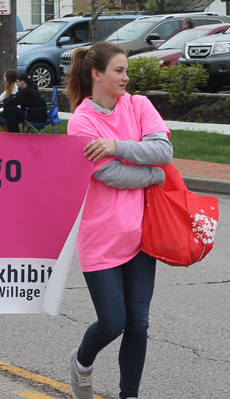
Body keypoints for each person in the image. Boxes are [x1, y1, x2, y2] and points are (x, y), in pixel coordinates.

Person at [64, 41, 173, 399]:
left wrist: (116, 146)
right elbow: (111, 176)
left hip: (142, 236)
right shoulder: (82, 121)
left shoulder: (139, 105)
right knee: (113, 322)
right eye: (119, 70)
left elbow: (163, 151)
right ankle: (81, 364)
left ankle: (130, 395)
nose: (127, 77)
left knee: (138, 325)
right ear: (97, 74)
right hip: (102, 239)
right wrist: (155, 176)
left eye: (127, 70)